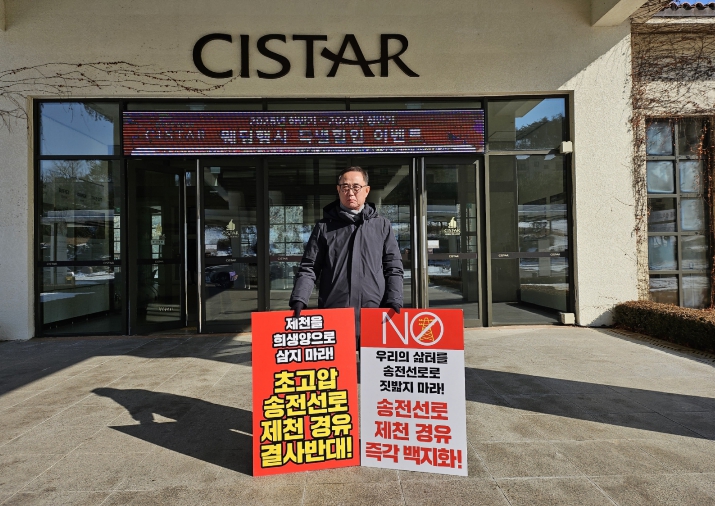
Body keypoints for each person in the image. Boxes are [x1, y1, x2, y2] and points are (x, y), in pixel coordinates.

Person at [289, 166, 403, 341]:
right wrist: (299, 299)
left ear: (367, 190)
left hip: (374, 310)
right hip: (335, 310)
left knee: (372, 357)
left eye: (356, 187)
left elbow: (393, 266)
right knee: (338, 358)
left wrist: (394, 298)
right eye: (345, 187)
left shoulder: (382, 226)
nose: (350, 192)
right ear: (338, 189)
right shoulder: (324, 227)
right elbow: (309, 267)